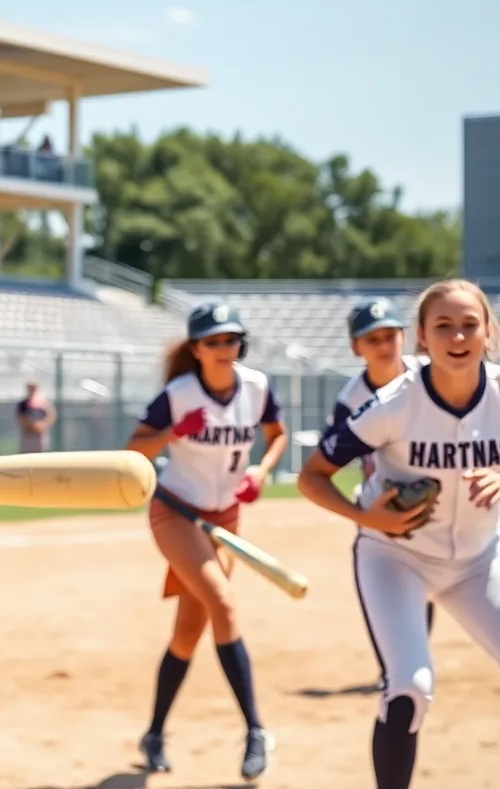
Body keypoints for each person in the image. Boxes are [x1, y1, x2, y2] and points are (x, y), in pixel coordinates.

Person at [297, 278, 500, 789]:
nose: (458, 336)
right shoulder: (393, 402)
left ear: (488, 331)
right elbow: (311, 476)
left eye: (469, 324)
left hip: (479, 561)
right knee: (409, 690)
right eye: (442, 325)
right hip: (394, 556)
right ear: (422, 337)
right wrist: (370, 519)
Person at [125, 300, 287, 781]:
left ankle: (153, 733)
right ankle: (257, 730)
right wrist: (177, 431)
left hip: (226, 518)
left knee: (188, 633)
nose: (224, 349)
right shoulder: (179, 393)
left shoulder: (255, 387)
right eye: (213, 341)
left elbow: (278, 434)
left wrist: (262, 469)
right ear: (196, 349)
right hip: (176, 511)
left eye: (231, 339)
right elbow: (134, 451)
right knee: (223, 601)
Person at [325, 298, 435, 685]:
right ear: (357, 348)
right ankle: (391, 668)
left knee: (428, 582)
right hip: (380, 501)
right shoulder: (351, 399)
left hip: (437, 496)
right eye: (373, 339)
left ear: (404, 337)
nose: (384, 345)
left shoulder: (431, 375)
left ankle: (414, 656)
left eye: (390, 335)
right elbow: (328, 461)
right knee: (382, 584)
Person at [15, 380, 56, 453]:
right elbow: (20, 417)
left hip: (39, 436)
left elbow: (51, 415)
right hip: (28, 435)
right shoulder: (23, 404)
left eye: (34, 388)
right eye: (30, 388)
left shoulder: (43, 403)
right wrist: (30, 426)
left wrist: (43, 425)